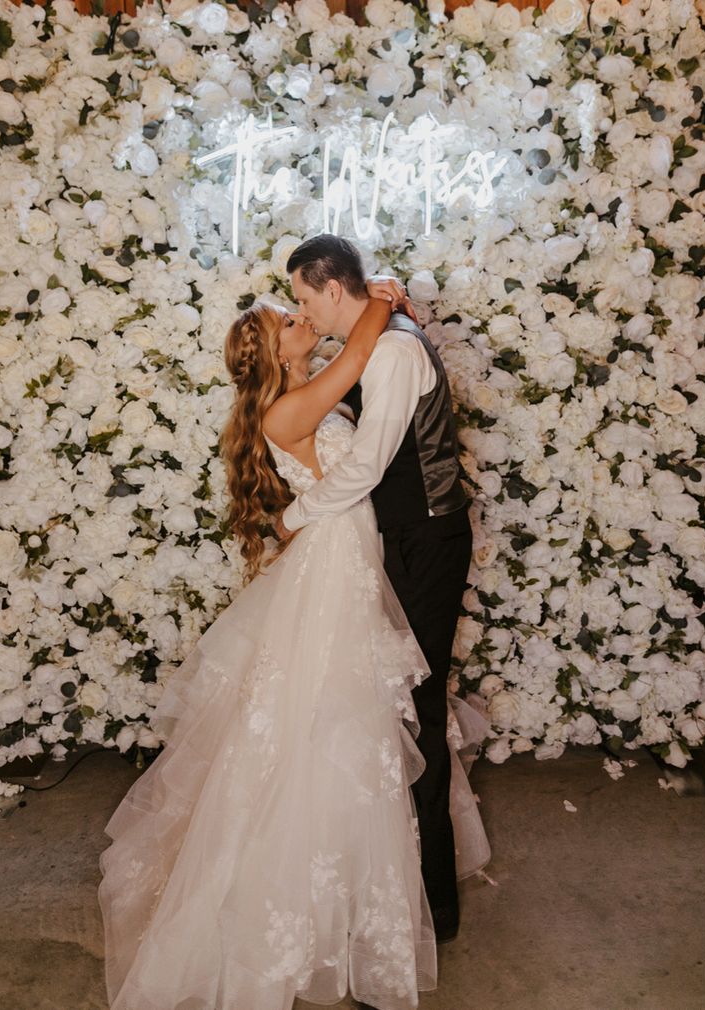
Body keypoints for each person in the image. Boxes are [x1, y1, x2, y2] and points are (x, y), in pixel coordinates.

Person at [97, 279, 489, 1010]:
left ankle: (352, 887)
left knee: (346, 720)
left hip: (349, 558)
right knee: (336, 721)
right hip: (335, 567)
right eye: (291, 317)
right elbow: (365, 344)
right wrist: (382, 296)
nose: (302, 317)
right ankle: (322, 899)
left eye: (303, 305)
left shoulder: (300, 396)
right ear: (275, 352)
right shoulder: (292, 405)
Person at [278, 234, 483, 947]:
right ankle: (395, 888)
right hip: (403, 544)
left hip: (426, 543)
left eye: (304, 297)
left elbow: (368, 463)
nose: (302, 310)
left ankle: (430, 913)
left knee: (414, 712)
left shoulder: (394, 350)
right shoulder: (378, 335)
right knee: (389, 711)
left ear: (331, 287)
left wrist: (293, 518)